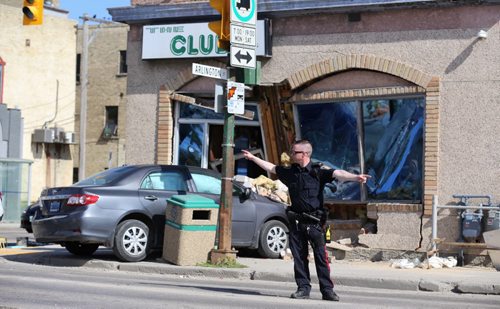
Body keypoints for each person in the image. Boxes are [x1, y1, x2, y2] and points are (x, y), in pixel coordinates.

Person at [242, 139, 370, 302]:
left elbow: (338, 174)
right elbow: (272, 168)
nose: (291, 154)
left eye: (294, 152)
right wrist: (253, 158)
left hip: (315, 221)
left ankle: (327, 290)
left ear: (304, 154)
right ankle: (303, 288)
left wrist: (355, 177)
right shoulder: (291, 172)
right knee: (299, 257)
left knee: (321, 257)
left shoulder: (317, 171)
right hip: (296, 221)